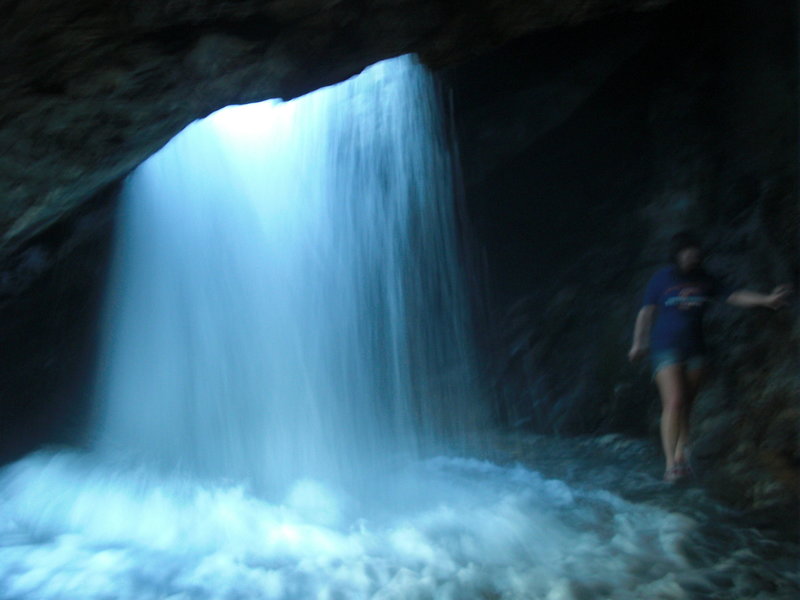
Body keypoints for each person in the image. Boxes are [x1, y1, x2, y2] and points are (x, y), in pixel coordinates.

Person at [628, 231, 792, 483]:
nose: (692, 256)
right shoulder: (661, 278)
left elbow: (735, 295)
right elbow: (646, 312)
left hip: (695, 349)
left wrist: (767, 300)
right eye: (687, 252)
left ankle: (682, 457)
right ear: (677, 254)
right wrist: (639, 343)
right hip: (665, 347)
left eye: (695, 252)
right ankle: (671, 464)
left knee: (687, 405)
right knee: (673, 401)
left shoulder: (706, 279)